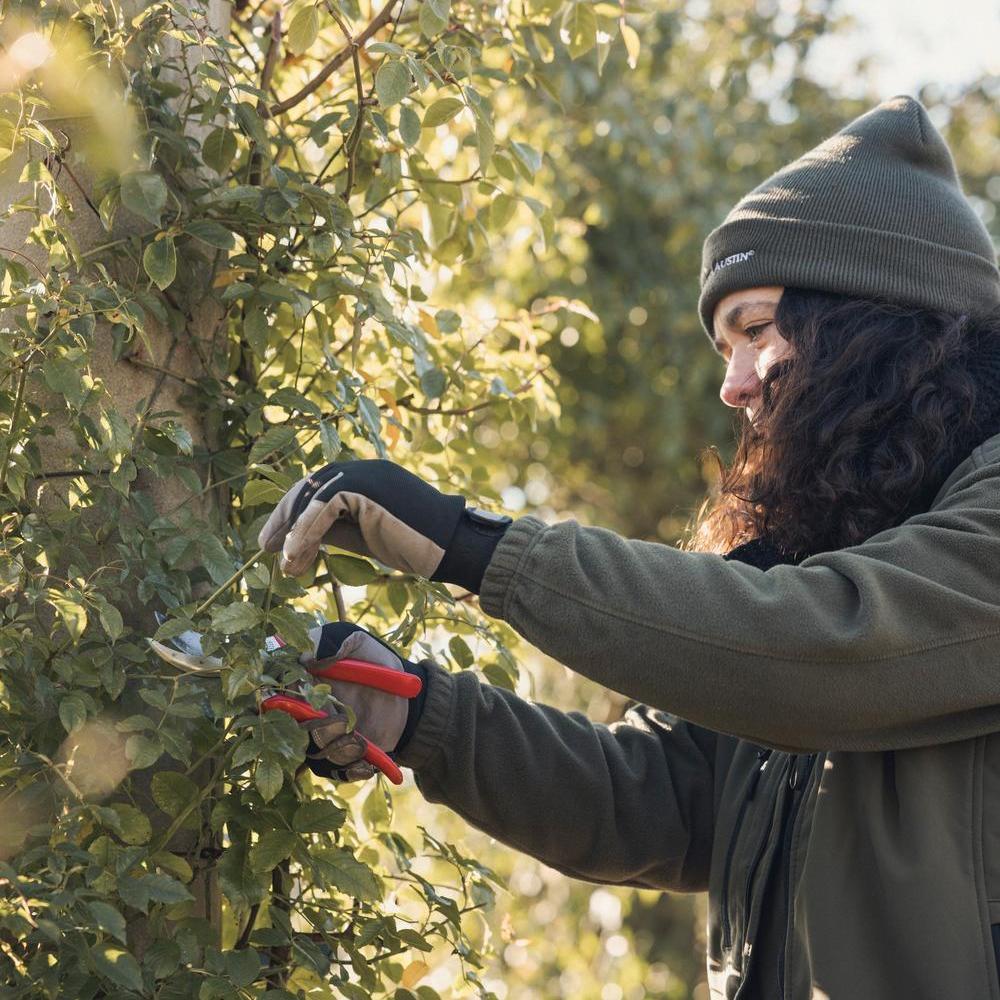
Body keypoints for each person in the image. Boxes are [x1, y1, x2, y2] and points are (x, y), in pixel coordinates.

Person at [259, 96, 1000, 999]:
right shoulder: (818, 553)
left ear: (873, 325)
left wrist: (474, 546)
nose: (730, 386)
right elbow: (653, 799)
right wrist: (414, 715)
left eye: (756, 332)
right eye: (723, 346)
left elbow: (839, 647)